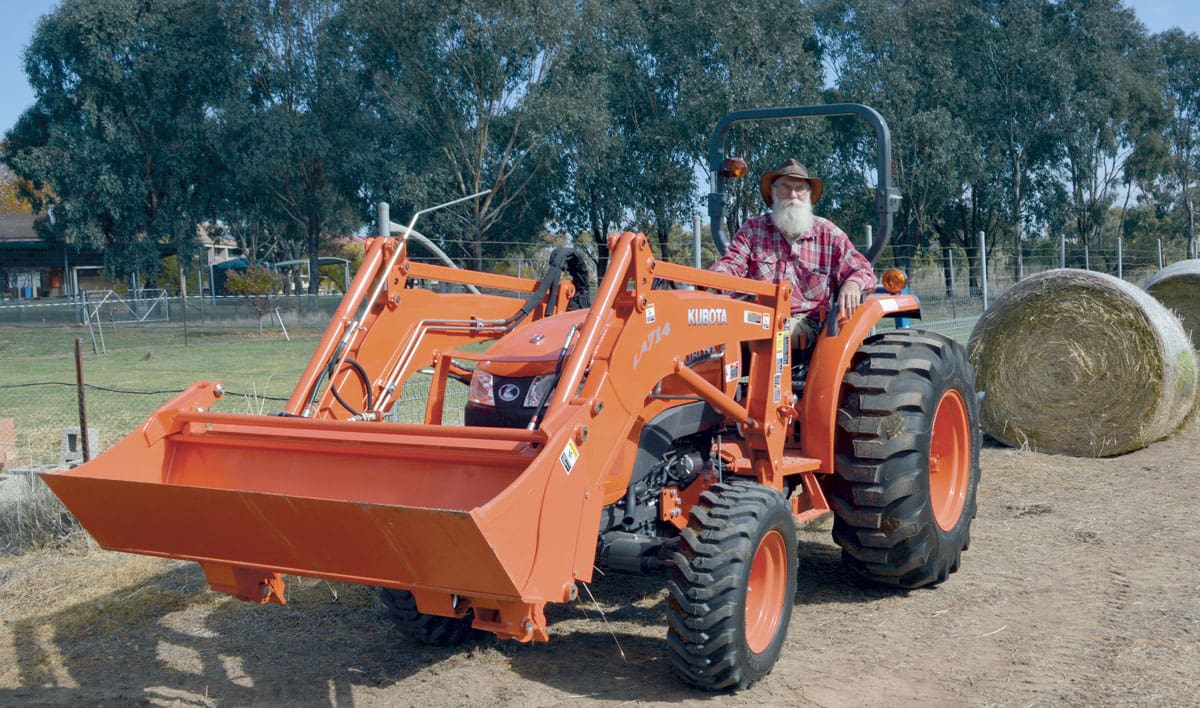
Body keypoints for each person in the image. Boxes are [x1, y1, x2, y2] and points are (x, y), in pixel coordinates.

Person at [710, 158, 877, 352]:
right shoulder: (753, 230)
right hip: (756, 317)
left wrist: (853, 283)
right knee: (708, 337)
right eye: (785, 187)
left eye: (800, 188)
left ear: (808, 195)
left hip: (807, 322)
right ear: (773, 192)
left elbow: (863, 269)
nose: (792, 194)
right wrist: (712, 284)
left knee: (776, 336)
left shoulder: (829, 234)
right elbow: (731, 264)